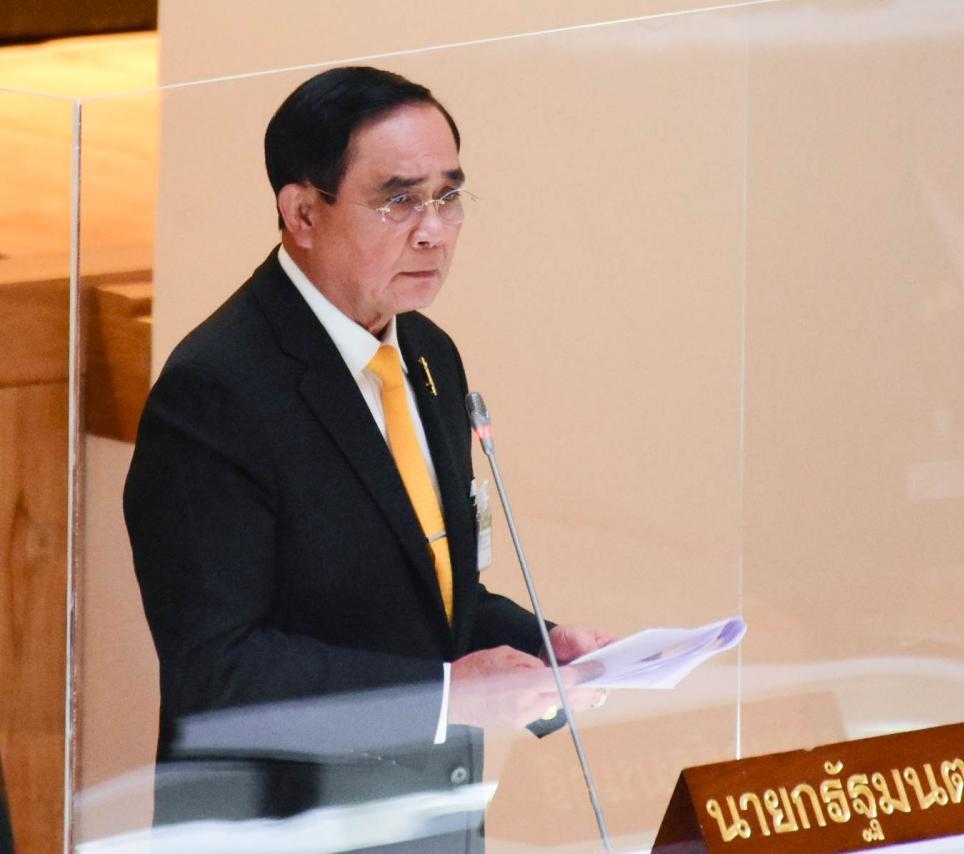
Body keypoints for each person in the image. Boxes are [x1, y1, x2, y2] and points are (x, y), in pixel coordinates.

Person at [124, 66, 611, 839]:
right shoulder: (216, 393)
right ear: (301, 213)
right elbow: (218, 670)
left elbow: (427, 599)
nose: (434, 230)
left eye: (448, 197)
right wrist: (446, 697)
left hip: (428, 826)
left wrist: (543, 647)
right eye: (399, 201)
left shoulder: (428, 355)